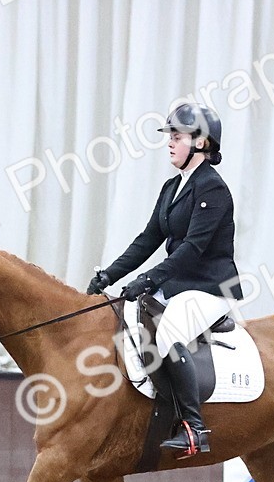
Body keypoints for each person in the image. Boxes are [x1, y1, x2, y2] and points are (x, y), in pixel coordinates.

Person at [87, 103, 243, 457]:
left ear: (201, 143)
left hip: (210, 287)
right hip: (178, 286)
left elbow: (192, 248)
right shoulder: (172, 187)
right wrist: (109, 274)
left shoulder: (213, 190)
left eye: (177, 136)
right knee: (131, 322)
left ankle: (194, 429)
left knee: (170, 331)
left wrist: (147, 279)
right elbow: (147, 239)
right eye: (169, 137)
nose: (169, 143)